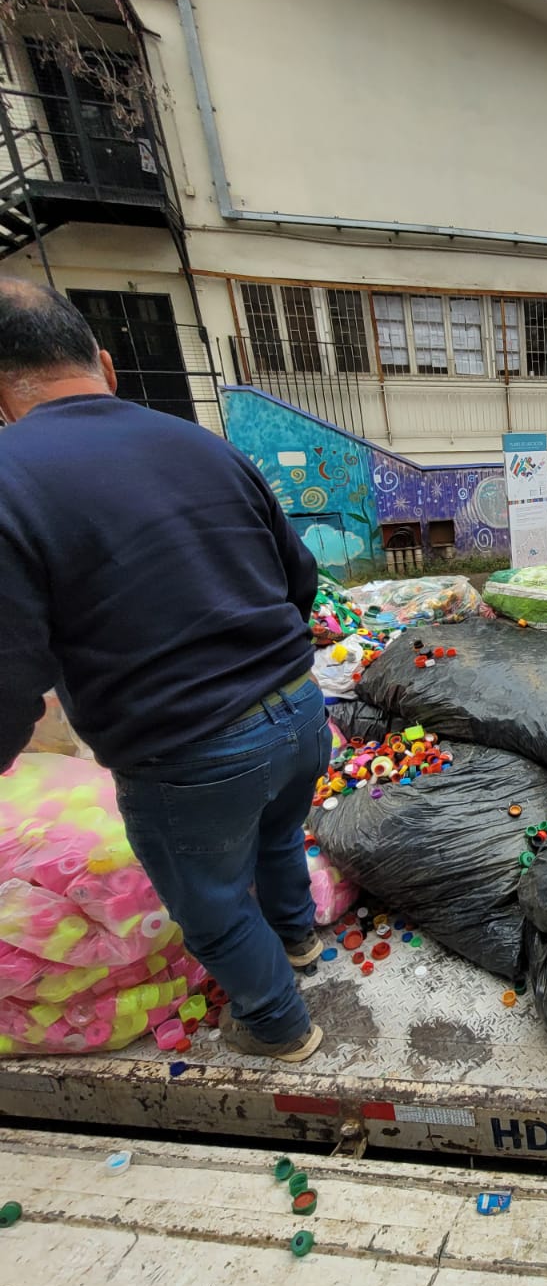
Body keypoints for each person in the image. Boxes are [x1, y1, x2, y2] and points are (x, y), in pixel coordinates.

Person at [0, 278, 329, 1061]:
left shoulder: (9, 478)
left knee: (211, 905)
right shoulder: (200, 443)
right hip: (299, 710)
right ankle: (300, 944)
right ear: (106, 366)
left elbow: (10, 662)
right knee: (280, 835)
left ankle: (282, 1028)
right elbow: (300, 575)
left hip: (188, 752)